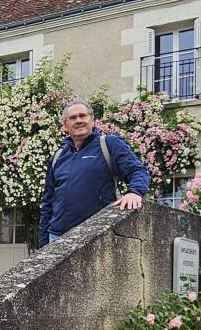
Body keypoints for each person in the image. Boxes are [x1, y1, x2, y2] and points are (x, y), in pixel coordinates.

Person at [39, 101, 150, 247]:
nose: (78, 120)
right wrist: (43, 243)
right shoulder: (58, 157)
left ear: (92, 120)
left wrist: (134, 192)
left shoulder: (109, 144)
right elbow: (48, 202)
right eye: (73, 117)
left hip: (95, 236)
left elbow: (137, 170)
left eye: (82, 116)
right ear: (65, 125)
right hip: (57, 237)